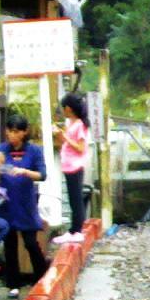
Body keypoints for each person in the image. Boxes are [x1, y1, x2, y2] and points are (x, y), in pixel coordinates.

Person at [0, 112, 49, 298]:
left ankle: (41, 276)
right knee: (10, 243)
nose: (12, 135)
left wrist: (24, 171)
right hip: (5, 203)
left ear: (24, 132)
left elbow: (42, 175)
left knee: (31, 242)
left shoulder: (34, 151)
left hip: (25, 201)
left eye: (16, 131)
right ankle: (13, 283)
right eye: (9, 131)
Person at [57, 90, 91, 241]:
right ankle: (73, 229)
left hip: (75, 165)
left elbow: (80, 147)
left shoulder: (79, 125)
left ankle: (77, 230)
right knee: (72, 198)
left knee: (76, 199)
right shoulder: (71, 124)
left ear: (68, 108)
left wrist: (64, 137)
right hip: (68, 165)